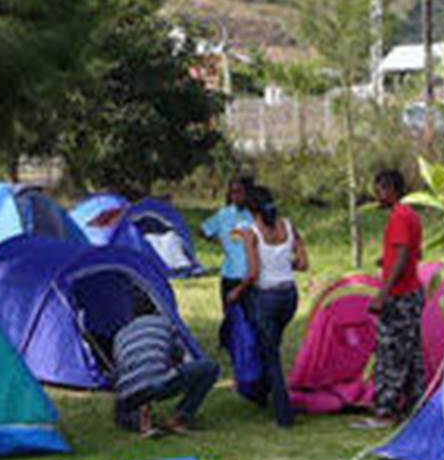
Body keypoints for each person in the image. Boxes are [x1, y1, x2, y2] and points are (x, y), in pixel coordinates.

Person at [230, 186, 308, 427]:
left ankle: (283, 414)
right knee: (270, 345)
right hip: (289, 297)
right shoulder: (289, 226)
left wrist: (237, 291)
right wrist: (282, 265)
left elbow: (253, 274)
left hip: (267, 298)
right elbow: (303, 263)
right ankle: (260, 392)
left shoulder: (252, 233)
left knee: (271, 354)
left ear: (252, 210)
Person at [360, 169, 425, 428]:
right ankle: (414, 408)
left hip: (399, 296)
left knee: (391, 354)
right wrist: (384, 261)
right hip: (412, 292)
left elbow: (401, 256)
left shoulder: (399, 216)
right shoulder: (411, 215)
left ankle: (385, 411)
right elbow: (409, 252)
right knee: (411, 353)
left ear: (390, 190)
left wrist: (382, 294)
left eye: (379, 190)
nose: (377, 196)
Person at [112, 301, 220, 437]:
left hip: (128, 389)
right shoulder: (164, 323)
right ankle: (180, 418)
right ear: (155, 311)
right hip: (158, 382)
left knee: (120, 412)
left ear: (133, 316)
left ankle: (139, 418)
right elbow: (181, 356)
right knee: (210, 368)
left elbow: (117, 368)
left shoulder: (120, 334)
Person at [201, 175, 256, 349]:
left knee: (250, 313)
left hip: (250, 273)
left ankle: (248, 344)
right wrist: (220, 241)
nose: (236, 197)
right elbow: (203, 230)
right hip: (229, 272)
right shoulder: (224, 214)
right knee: (230, 311)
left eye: (240, 192)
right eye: (232, 193)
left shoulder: (255, 215)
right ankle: (227, 343)